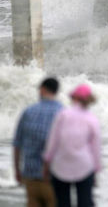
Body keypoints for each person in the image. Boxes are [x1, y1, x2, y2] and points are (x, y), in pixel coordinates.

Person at [43, 84, 101, 207]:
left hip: (60, 166)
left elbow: (53, 141)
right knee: (85, 202)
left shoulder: (63, 114)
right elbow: (95, 147)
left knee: (62, 202)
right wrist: (96, 169)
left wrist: (47, 162)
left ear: (74, 97)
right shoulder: (92, 119)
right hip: (84, 166)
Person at [13, 77, 63, 207]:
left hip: (30, 177)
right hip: (54, 177)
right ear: (56, 91)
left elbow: (17, 144)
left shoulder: (28, 112)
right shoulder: (63, 112)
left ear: (42, 89)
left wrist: (17, 170)